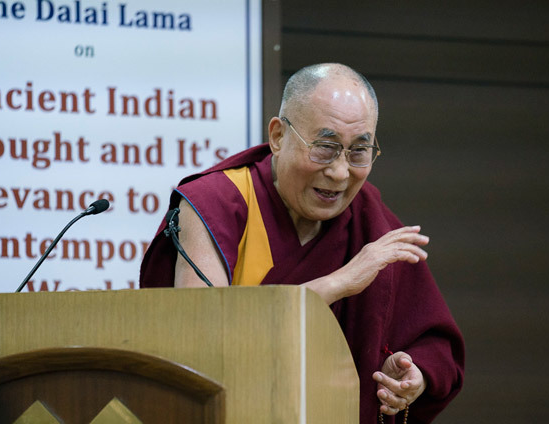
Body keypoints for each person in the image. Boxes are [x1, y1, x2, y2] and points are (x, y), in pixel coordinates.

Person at [140, 63, 464, 423]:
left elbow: (436, 347)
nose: (340, 172)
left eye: (359, 151)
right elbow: (197, 335)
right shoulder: (216, 201)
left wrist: (411, 376)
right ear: (278, 136)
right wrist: (339, 283)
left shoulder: (370, 221)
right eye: (325, 147)